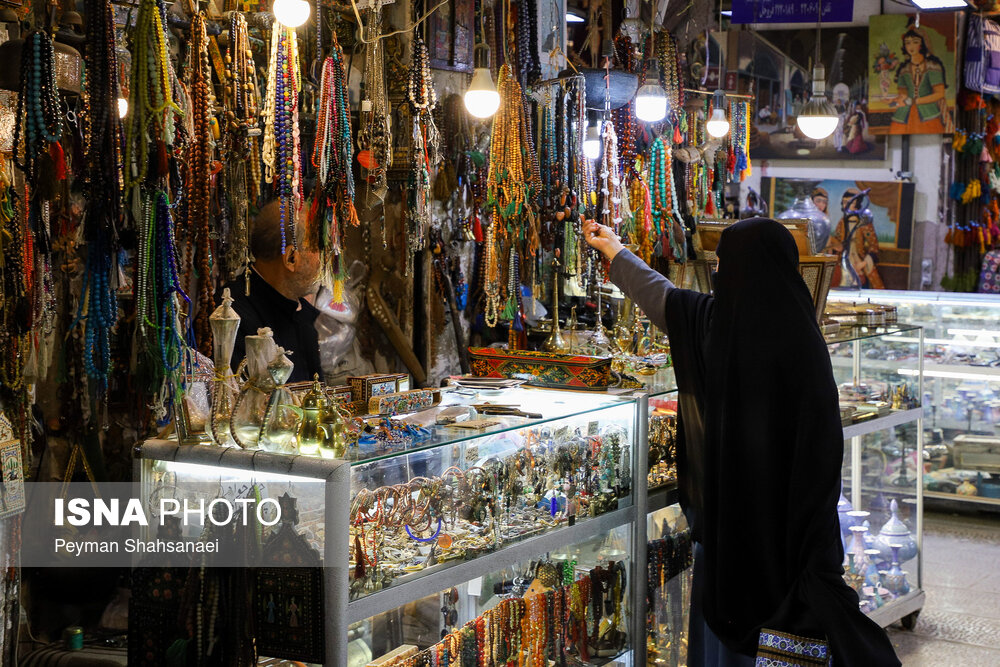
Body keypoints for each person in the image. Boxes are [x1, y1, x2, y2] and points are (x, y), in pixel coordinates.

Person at [584, 217, 900, 667]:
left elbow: (664, 300)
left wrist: (616, 252)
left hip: (732, 543)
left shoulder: (717, 329)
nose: (717, 275)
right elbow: (823, 453)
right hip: (794, 541)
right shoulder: (804, 342)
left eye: (722, 265)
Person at [223, 199, 323, 383]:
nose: (323, 261)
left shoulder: (303, 316)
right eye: (318, 248)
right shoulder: (231, 316)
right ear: (291, 258)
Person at [888, 24, 948, 135]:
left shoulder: (933, 66)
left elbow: (939, 93)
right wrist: (895, 101)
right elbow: (903, 94)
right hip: (904, 115)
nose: (911, 46)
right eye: (907, 43)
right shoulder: (904, 69)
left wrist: (915, 101)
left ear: (922, 44)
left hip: (928, 113)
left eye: (915, 42)